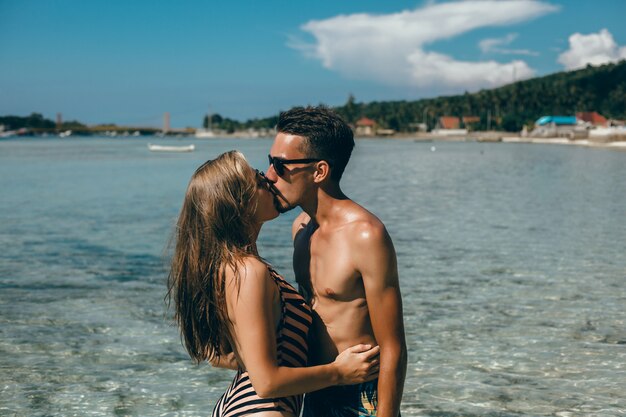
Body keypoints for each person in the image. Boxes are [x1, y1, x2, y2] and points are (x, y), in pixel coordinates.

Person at [167, 150, 380, 417]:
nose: (270, 181)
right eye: (258, 181)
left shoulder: (230, 268)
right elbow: (267, 383)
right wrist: (340, 372)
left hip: (242, 403)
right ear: (239, 204)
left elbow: (217, 355)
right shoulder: (248, 272)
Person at [266, 106, 407, 417]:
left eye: (281, 165)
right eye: (269, 162)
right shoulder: (300, 229)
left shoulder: (366, 236)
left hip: (360, 393)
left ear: (319, 171)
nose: (270, 175)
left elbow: (393, 344)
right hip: (315, 385)